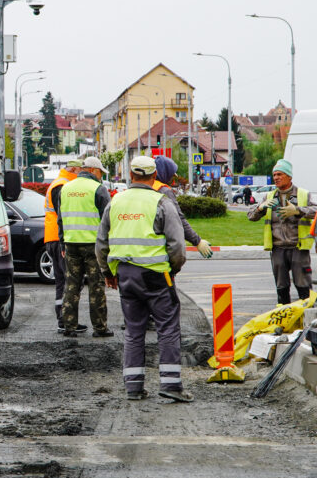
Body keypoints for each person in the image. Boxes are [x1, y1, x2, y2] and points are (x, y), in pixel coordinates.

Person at [96, 156, 190, 402]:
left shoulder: (115, 202)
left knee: (133, 330)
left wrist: (108, 273)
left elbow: (101, 244)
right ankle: (171, 385)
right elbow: (178, 246)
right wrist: (173, 269)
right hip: (157, 275)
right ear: (154, 176)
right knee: (167, 328)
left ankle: (134, 387)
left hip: (126, 275)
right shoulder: (161, 201)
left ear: (131, 174)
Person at [58, 155, 113, 338]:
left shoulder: (66, 188)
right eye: (100, 172)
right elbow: (107, 221)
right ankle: (100, 327)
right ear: (92, 170)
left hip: (71, 243)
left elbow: (60, 220)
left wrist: (62, 242)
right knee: (96, 286)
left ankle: (68, 326)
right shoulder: (98, 189)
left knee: (71, 284)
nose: (101, 176)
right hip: (93, 246)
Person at [247, 159, 317, 305]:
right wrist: (261, 207)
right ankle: (284, 319)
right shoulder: (269, 196)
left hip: (298, 247)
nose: (276, 178)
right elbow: (251, 216)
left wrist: (298, 210)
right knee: (282, 287)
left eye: (280, 174)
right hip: (278, 248)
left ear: (289, 176)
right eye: (274, 175)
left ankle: (307, 319)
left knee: (303, 287)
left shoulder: (303, 194)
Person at [43, 158, 85, 333]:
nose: (81, 174)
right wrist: (63, 242)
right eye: (80, 170)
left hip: (51, 238)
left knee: (61, 280)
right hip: (60, 239)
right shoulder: (63, 186)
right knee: (72, 280)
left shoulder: (59, 183)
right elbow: (63, 217)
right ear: (74, 169)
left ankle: (62, 317)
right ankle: (67, 319)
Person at [152, 155, 213, 259]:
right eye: (171, 175)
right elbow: (179, 219)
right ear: (164, 173)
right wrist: (197, 241)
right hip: (157, 251)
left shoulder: (143, 188)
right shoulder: (164, 191)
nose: (172, 179)